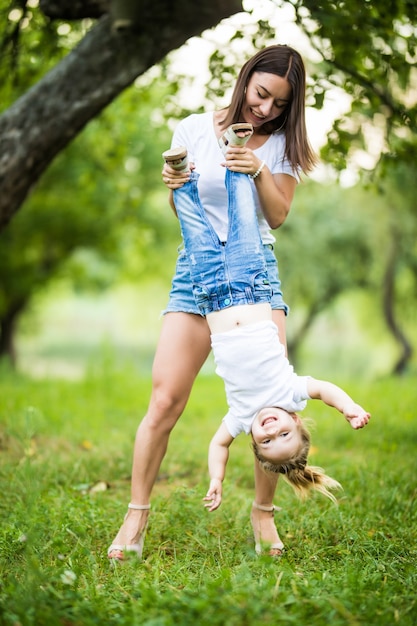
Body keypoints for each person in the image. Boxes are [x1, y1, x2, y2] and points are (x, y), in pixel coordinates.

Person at [108, 44, 319, 561]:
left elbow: (278, 215)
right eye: (262, 93)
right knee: (165, 401)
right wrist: (171, 183)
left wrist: (257, 169)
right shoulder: (193, 127)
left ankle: (263, 515)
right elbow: (186, 202)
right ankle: (136, 515)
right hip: (197, 273)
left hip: (254, 278)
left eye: (279, 104)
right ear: (246, 79)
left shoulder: (281, 145)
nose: (266, 109)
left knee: (273, 399)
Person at [167, 153, 370, 550]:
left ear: (255, 443)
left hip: (210, 294)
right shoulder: (288, 393)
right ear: (296, 420)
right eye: (284, 432)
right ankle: (235, 152)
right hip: (251, 283)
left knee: (194, 228)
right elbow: (324, 389)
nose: (271, 427)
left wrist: (216, 479)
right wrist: (349, 408)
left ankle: (181, 177)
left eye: (267, 439)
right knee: (244, 212)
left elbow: (217, 444)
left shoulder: (241, 417)